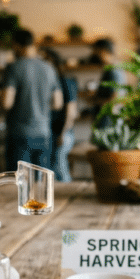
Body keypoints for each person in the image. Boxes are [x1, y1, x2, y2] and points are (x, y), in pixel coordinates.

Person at [1, 29, 63, 170]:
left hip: (20, 134)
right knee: (42, 183)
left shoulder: (14, 68)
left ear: (16, 45)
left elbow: (6, 102)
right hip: (44, 133)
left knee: (19, 185)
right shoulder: (49, 68)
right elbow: (57, 104)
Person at [40, 48, 79, 182]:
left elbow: (71, 111)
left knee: (60, 167)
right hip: (49, 132)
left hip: (63, 132)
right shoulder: (48, 83)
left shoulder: (65, 82)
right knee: (51, 168)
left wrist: (63, 133)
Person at [90, 37, 125, 131]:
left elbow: (115, 99)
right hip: (105, 122)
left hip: (108, 124)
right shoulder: (110, 70)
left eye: (96, 51)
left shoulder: (114, 71)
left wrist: (95, 101)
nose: (94, 54)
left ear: (104, 51)